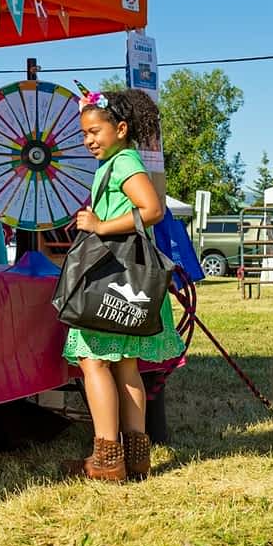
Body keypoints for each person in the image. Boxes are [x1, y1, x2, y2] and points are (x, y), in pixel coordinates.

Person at [64, 88, 186, 481]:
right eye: (84, 134)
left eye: (95, 131)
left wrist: (99, 225)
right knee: (126, 365)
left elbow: (152, 209)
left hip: (111, 277)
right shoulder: (116, 163)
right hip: (126, 277)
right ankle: (135, 456)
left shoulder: (123, 163)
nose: (89, 141)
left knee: (93, 360)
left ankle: (105, 459)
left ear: (120, 128)